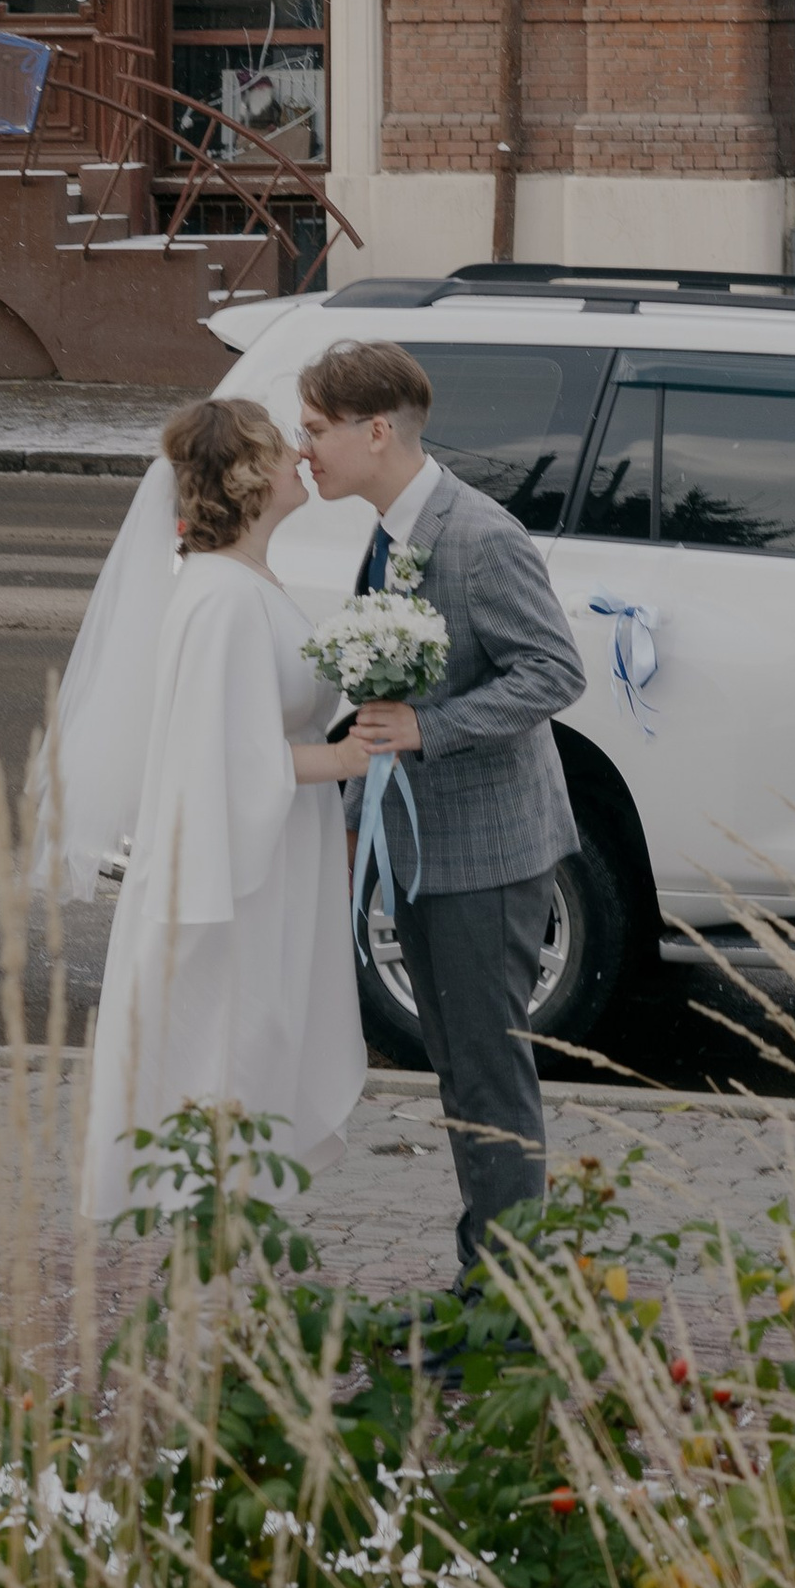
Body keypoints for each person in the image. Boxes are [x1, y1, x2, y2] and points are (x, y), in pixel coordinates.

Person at [295, 336, 587, 1282]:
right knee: (460, 1071)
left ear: (376, 431)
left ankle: (508, 1301)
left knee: (489, 1077)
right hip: (423, 847)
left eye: (315, 431)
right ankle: (490, 1281)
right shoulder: (391, 532)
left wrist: (433, 729)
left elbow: (555, 671)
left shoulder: (477, 535)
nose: (305, 450)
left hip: (491, 855)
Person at [52, 394, 366, 1227]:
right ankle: (217, 1243)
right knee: (232, 1051)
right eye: (281, 445)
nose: (302, 453)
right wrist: (341, 759)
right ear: (248, 474)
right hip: (237, 879)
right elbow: (220, 757)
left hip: (272, 852)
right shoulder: (222, 597)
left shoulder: (246, 579)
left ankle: (231, 1234)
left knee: (254, 1049)